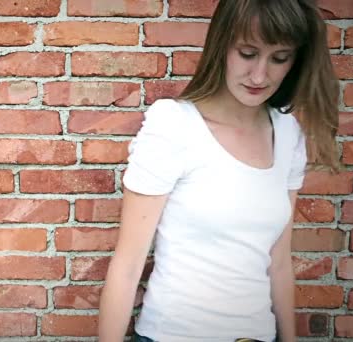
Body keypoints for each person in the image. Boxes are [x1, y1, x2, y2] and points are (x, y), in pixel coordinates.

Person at [98, 0, 340, 341]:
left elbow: (280, 262)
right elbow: (127, 266)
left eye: (279, 58)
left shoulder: (287, 134)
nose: (259, 75)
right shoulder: (174, 125)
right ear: (222, 45)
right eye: (247, 53)